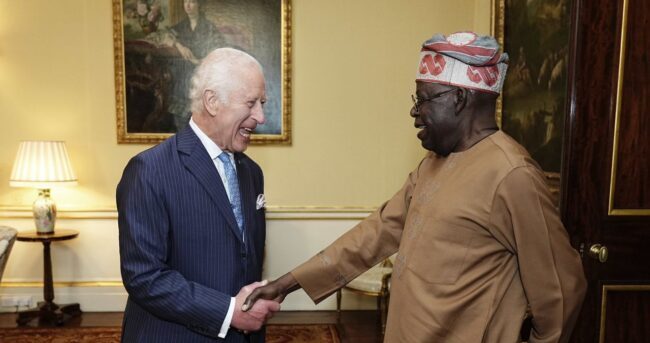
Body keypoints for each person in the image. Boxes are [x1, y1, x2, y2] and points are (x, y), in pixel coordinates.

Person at [243, 32, 587, 343]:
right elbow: (375, 233)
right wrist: (286, 282)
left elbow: (560, 291)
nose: (414, 111)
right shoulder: (434, 162)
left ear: (459, 98)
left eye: (424, 99)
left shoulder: (513, 174)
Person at [117, 47, 279, 342]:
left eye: (262, 103)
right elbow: (144, 277)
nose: (261, 116)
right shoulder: (149, 170)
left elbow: (247, 256)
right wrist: (229, 312)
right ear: (212, 101)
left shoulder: (252, 173)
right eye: (251, 103)